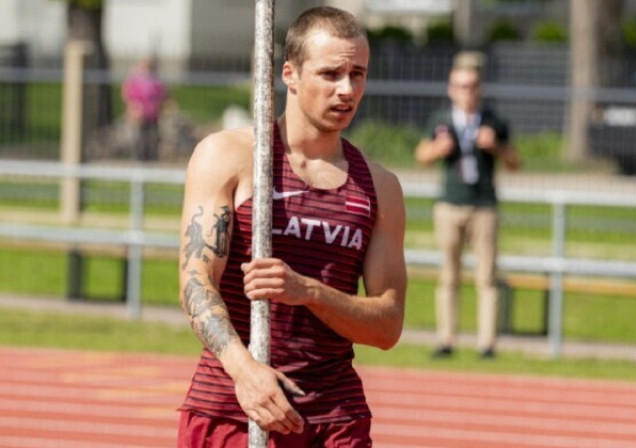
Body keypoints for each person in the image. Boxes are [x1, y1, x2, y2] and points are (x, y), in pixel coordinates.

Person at [176, 6, 407, 447]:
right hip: (232, 410)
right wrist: (247, 374)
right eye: (331, 74)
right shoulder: (229, 157)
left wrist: (309, 291)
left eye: (358, 74)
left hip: (334, 417)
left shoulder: (379, 187)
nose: (347, 90)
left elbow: (387, 324)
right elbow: (195, 281)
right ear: (290, 74)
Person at [414, 51, 520, 360]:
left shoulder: (493, 121)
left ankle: (487, 344)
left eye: (472, 85)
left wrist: (496, 147)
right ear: (451, 89)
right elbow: (420, 155)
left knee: (486, 276)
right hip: (449, 204)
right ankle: (446, 339)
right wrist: (437, 149)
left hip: (484, 205)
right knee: (449, 275)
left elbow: (515, 162)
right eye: (461, 85)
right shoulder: (441, 120)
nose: (467, 91)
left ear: (480, 88)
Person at [122, 56, 168, 161]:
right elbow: (128, 94)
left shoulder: (156, 78)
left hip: (153, 113)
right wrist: (133, 108)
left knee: (153, 136)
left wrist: (159, 106)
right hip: (138, 112)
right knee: (139, 137)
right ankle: (139, 158)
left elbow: (162, 94)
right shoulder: (134, 78)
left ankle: (152, 157)